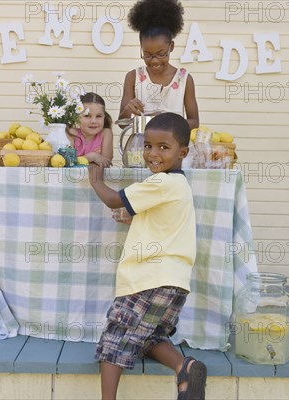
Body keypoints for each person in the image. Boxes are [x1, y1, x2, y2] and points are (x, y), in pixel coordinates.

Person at [88, 112, 207, 400]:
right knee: (147, 338)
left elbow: (114, 199)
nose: (153, 154)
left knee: (115, 339)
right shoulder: (178, 186)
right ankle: (184, 367)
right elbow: (164, 222)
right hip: (174, 281)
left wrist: (95, 176)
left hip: (147, 279)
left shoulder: (161, 183)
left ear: (183, 152)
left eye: (163, 147)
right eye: (148, 146)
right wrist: (135, 221)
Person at [118, 0, 199, 129]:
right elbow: (122, 124)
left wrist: (167, 122)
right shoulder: (133, 77)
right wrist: (128, 109)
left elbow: (194, 122)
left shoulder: (184, 79)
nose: (154, 61)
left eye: (161, 54)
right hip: (142, 147)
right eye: (148, 55)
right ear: (141, 48)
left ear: (171, 47)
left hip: (174, 148)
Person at [67, 92, 113, 167]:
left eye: (98, 116)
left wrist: (82, 159)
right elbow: (69, 163)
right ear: (76, 117)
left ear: (104, 117)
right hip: (73, 178)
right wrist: (92, 157)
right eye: (87, 116)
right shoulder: (72, 134)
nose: (93, 121)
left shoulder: (106, 133)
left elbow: (106, 162)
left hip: (96, 177)